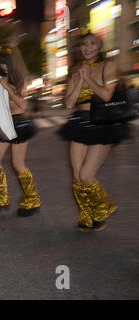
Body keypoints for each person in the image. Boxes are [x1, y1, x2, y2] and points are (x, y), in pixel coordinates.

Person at [59, 31, 129, 232]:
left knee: (86, 175)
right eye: (84, 44)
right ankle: (87, 215)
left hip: (102, 124)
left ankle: (102, 206)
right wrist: (80, 78)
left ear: (99, 47)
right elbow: (69, 102)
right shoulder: (75, 70)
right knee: (77, 177)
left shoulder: (109, 65)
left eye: (92, 44)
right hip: (79, 123)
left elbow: (107, 96)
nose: (87, 48)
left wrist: (88, 78)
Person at [0, 46, 41, 217]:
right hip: (3, 125)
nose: (4, 66)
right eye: (1, 63)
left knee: (17, 164)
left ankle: (32, 199)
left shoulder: (19, 79)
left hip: (19, 124)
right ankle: (1, 198)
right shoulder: (0, 80)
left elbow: (23, 105)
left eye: (6, 63)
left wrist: (8, 89)